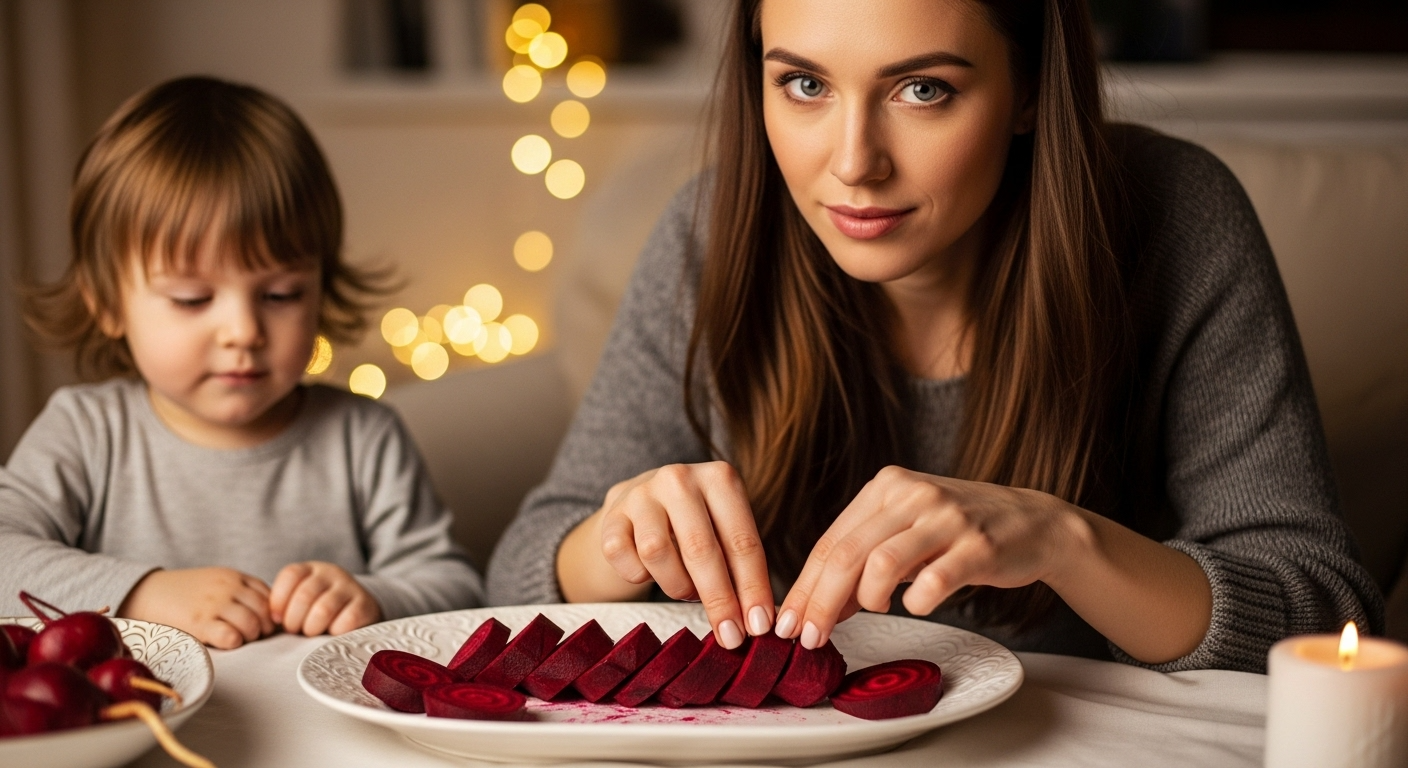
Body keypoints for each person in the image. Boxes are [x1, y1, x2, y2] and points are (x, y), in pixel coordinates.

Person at [487, 0, 1384, 673]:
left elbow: (1325, 621)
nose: (851, 162)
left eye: (923, 90)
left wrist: (1063, 541)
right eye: (803, 84)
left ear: (1030, 89)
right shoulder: (713, 232)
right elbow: (523, 570)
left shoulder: (1179, 219)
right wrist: (617, 540)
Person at [0, 77, 482, 648]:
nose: (245, 332)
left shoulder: (363, 437)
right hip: (137, 727)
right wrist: (142, 593)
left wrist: (375, 596)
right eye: (192, 299)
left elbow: (458, 590)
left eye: (281, 295)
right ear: (107, 305)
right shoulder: (87, 432)